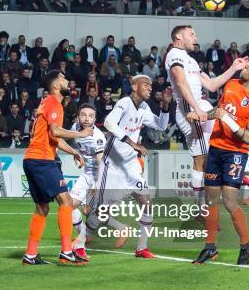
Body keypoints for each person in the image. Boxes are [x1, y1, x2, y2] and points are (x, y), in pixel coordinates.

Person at [188, 59, 249, 266]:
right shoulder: (232, 84)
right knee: (210, 200)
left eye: (246, 68)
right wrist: (201, 116)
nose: (242, 69)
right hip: (215, 147)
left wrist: (228, 120)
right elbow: (219, 110)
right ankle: (210, 247)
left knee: (230, 201)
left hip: (236, 153)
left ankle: (245, 246)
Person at [166, 25, 249, 220]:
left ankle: (230, 179)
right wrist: (196, 108)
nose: (195, 36)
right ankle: (200, 210)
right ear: (179, 37)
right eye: (191, 34)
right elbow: (180, 82)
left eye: (195, 33)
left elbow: (212, 85)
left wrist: (234, 68)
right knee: (201, 159)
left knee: (217, 143)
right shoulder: (174, 55)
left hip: (199, 104)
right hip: (188, 108)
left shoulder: (192, 61)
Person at [88, 75, 171, 258]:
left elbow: (160, 126)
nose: (150, 88)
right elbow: (109, 123)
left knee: (146, 200)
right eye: (145, 85)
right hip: (113, 165)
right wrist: (131, 142)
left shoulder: (144, 107)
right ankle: (84, 235)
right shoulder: (125, 102)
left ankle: (141, 248)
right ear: (134, 86)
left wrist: (165, 105)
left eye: (151, 86)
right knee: (102, 211)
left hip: (131, 165)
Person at [21, 70, 91, 266]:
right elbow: (55, 131)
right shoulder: (53, 103)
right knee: (66, 202)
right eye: (63, 77)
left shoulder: (47, 103)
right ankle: (67, 251)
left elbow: (54, 138)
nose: (67, 80)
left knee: (42, 208)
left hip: (32, 159)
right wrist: (82, 134)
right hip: (42, 160)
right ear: (55, 85)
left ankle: (30, 254)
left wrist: (73, 152)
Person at [67, 104, 106, 260]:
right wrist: (76, 155)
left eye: (90, 116)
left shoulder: (97, 137)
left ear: (95, 119)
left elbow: (101, 162)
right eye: (83, 115)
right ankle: (82, 238)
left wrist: (97, 186)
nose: (86, 118)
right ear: (78, 116)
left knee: (94, 215)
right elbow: (76, 144)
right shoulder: (75, 127)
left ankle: (81, 245)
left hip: (101, 177)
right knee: (68, 206)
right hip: (86, 175)